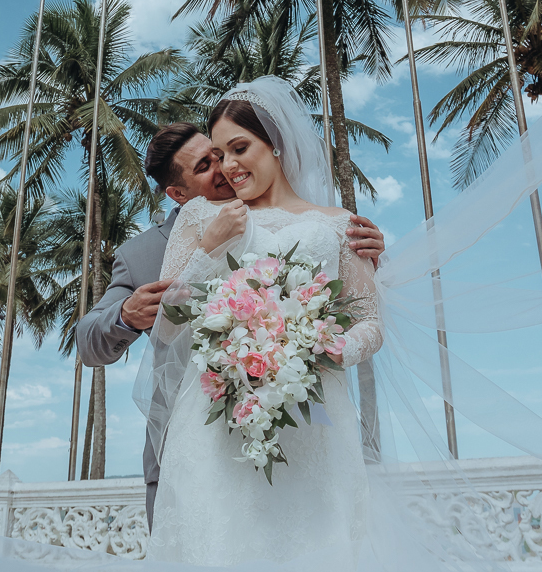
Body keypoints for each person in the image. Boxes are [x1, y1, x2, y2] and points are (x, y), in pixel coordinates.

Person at [75, 120, 387, 528]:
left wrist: (371, 256)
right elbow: (88, 341)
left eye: (220, 154)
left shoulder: (308, 219)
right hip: (198, 442)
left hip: (306, 424)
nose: (224, 168)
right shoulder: (142, 253)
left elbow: (354, 300)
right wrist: (126, 315)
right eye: (205, 166)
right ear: (178, 193)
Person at [140, 78, 384, 567]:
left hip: (314, 416)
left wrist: (338, 347)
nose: (229, 166)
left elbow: (370, 320)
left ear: (275, 143)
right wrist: (209, 249)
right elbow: (166, 327)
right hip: (215, 419)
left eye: (239, 148)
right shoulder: (200, 217)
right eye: (219, 155)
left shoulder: (339, 224)